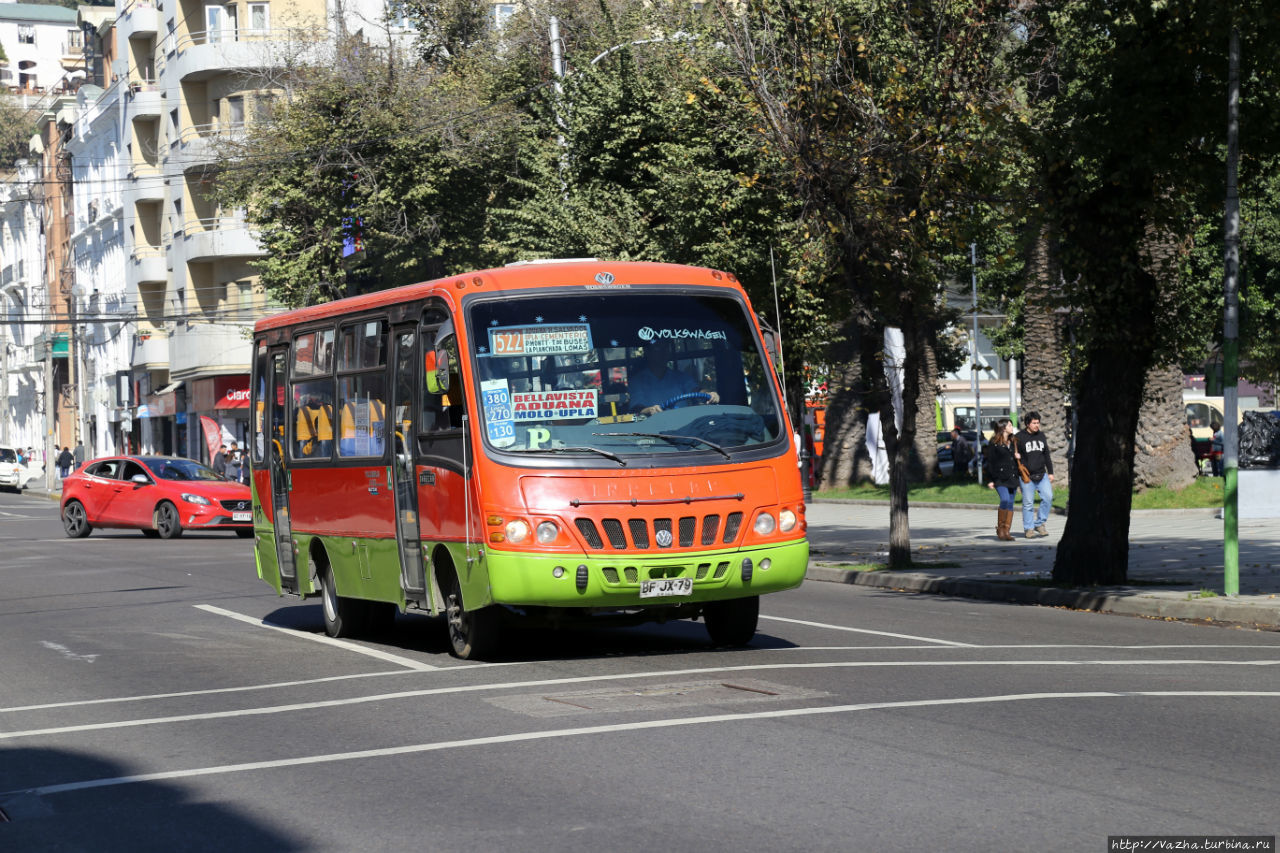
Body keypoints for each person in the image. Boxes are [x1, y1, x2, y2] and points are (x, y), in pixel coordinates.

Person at [628, 340, 719, 415]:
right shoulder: (637, 381)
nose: (663, 352)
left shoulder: (681, 377)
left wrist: (709, 394)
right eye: (657, 348)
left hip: (686, 428)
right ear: (647, 352)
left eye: (666, 348)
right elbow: (637, 408)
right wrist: (650, 410)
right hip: (653, 430)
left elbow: (697, 390)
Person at [1015, 412, 1055, 539]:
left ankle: (1039, 523)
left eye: (1038, 423)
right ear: (1028, 423)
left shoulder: (1041, 435)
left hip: (1042, 474)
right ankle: (1029, 529)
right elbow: (1014, 457)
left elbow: (1046, 455)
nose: (1037, 425)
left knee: (1048, 497)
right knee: (1028, 503)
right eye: (1034, 423)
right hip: (1027, 477)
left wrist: (1051, 472)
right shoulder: (1019, 437)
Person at [984, 418, 1019, 542]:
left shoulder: (1013, 440)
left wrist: (1018, 456)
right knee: (1004, 499)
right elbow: (990, 462)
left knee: (1010, 503)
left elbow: (1017, 459)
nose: (1012, 427)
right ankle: (1000, 529)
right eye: (1010, 425)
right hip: (1000, 477)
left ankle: (1006, 531)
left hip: (1013, 476)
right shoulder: (994, 442)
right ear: (1003, 427)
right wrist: (990, 479)